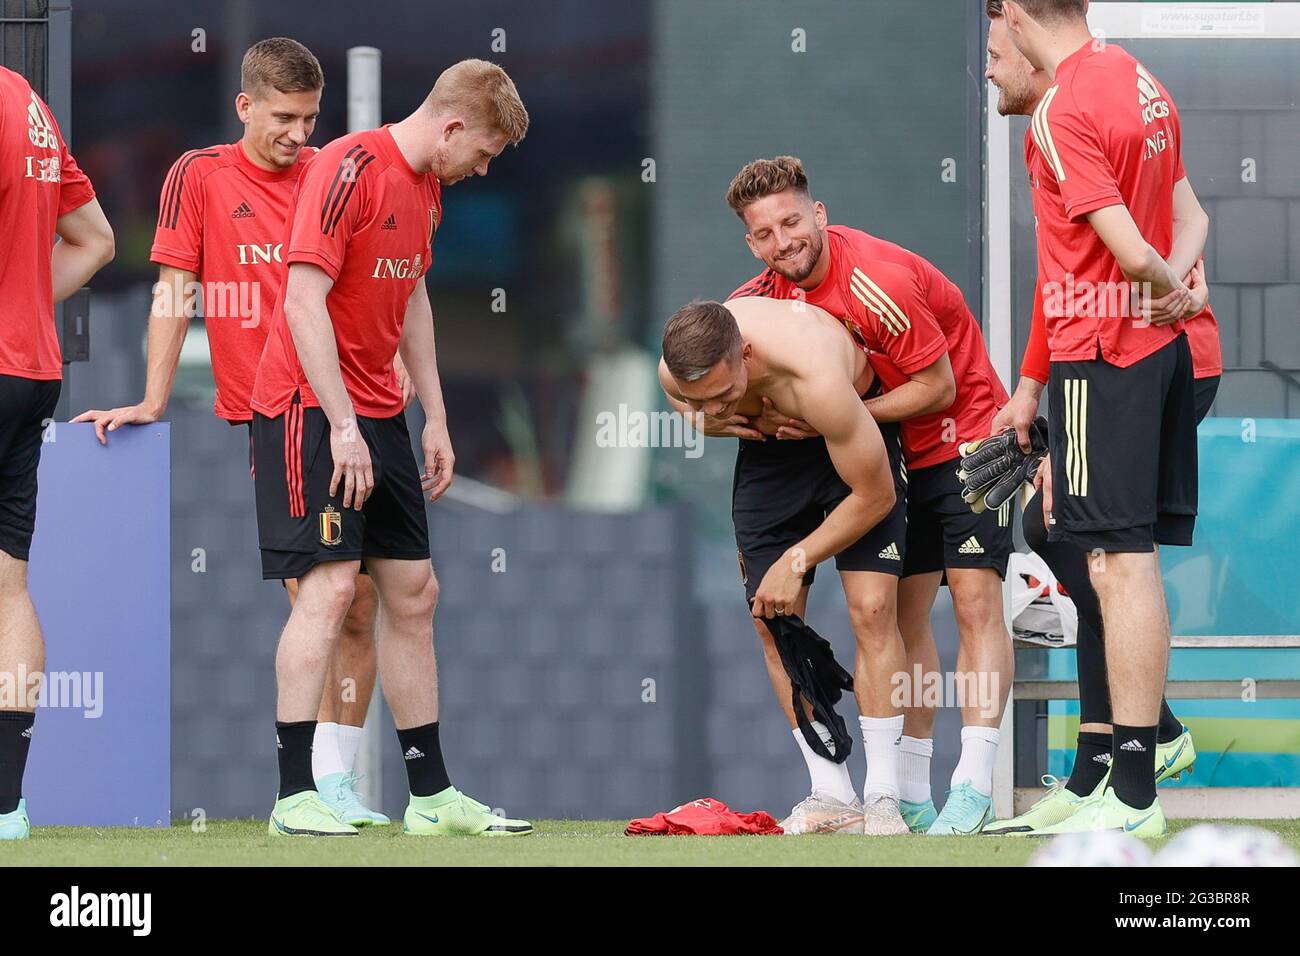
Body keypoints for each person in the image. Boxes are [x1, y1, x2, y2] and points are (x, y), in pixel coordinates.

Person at [73, 37, 392, 827]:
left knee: (360, 601)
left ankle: (335, 784)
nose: (298, 132)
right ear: (245, 106)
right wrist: (151, 400)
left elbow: (371, 279)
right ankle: (308, 790)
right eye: (283, 116)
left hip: (354, 411)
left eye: (310, 118)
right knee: (324, 593)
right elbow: (174, 293)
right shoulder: (199, 175)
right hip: (275, 414)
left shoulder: (332, 173)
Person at [250, 59, 532, 837]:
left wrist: (434, 415)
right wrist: (341, 423)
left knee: (415, 594)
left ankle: (433, 799)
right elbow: (302, 300)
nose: (480, 170)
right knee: (332, 592)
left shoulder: (429, 189)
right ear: (450, 128)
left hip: (379, 412)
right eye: (481, 153)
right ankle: (292, 797)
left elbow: (411, 293)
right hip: (307, 408)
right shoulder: (348, 168)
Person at [982, 0, 1219, 835]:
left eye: (991, 37)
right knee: (1108, 555)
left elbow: (1120, 252)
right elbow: (1192, 220)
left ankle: (1136, 789)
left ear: (1014, 15)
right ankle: (1115, 772)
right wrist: (1177, 293)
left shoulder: (1059, 107)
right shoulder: (1141, 79)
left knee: (1118, 564)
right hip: (1149, 354)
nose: (988, 58)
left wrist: (1162, 291)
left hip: (1106, 357)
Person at [723, 157, 1013, 835]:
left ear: (818, 215)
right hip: (892, 452)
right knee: (901, 617)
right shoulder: (759, 303)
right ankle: (908, 792)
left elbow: (938, 388)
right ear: (751, 243)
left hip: (961, 435)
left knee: (974, 603)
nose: (782, 241)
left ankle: (973, 786)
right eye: (764, 233)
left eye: (791, 221)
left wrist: (840, 415)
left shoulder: (872, 280)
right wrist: (716, 414)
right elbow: (706, 371)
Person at [661, 295, 907, 834]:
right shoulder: (680, 372)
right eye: (701, 401)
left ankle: (886, 796)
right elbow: (692, 400)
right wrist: (719, 422)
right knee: (772, 623)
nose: (718, 409)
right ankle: (832, 793)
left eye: (725, 395)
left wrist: (798, 558)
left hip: (850, 443)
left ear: (746, 354)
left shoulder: (813, 378)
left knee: (872, 609)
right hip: (773, 455)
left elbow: (876, 496)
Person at [0, 65, 115, 840]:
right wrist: (23, 304)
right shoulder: (26, 100)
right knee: (7, 589)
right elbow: (97, 242)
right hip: (29, 369)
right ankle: (7, 806)